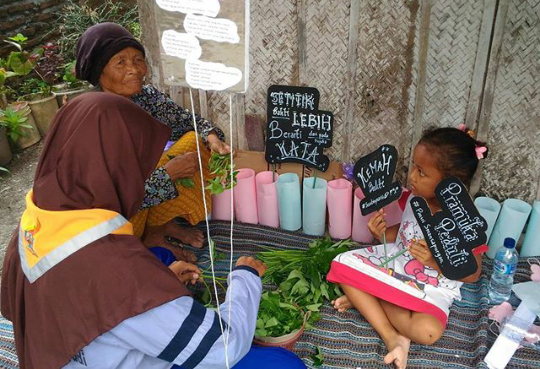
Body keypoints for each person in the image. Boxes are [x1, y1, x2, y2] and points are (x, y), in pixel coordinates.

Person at [0, 92, 305, 369]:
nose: (145, 174)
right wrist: (245, 280)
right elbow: (222, 349)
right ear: (114, 169)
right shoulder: (118, 275)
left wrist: (154, 290)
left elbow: (39, 304)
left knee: (157, 259)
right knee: (282, 364)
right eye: (139, 165)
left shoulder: (32, 225)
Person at [327, 126, 489, 369]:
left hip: (433, 284)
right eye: (414, 166)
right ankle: (392, 337)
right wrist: (382, 233)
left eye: (421, 172)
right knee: (341, 265)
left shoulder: (463, 219)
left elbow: (473, 273)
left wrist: (434, 261)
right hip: (395, 264)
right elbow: (405, 233)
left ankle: (370, 296)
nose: (411, 176)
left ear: (450, 182)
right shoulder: (414, 198)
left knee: (428, 332)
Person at [75, 22, 230, 256]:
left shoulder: (144, 96)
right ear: (99, 70)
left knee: (194, 142)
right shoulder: (93, 117)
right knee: (149, 170)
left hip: (145, 183)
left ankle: (158, 230)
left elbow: (188, 122)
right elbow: (109, 196)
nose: (134, 70)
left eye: (138, 60)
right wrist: (169, 174)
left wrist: (211, 137)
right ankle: (139, 240)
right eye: (121, 63)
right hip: (107, 214)